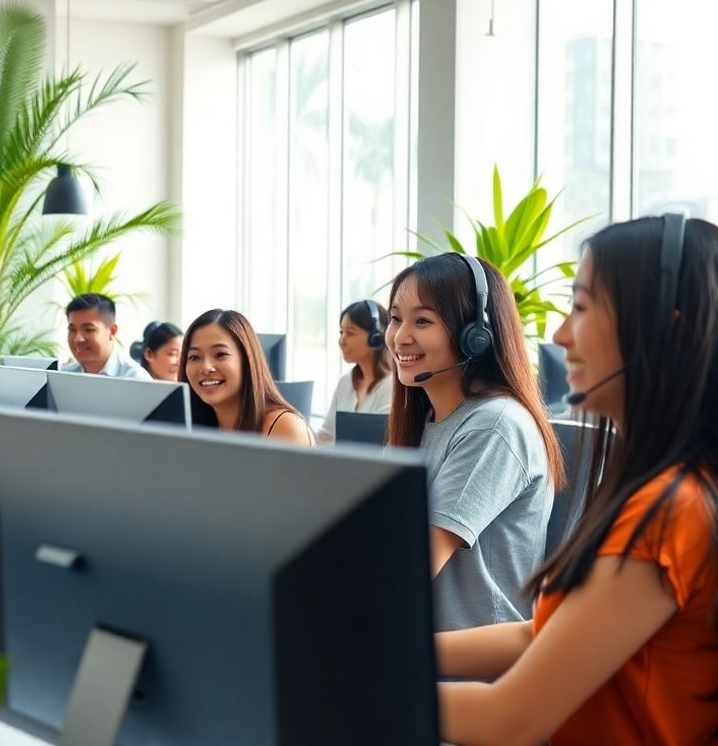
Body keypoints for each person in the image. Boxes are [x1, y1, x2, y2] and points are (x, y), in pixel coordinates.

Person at [436, 216, 718, 745]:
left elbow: (509, 720)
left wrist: (344, 677)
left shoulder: (671, 513)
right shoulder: (670, 492)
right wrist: (402, 651)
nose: (560, 335)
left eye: (580, 307)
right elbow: (542, 637)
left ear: (663, 327)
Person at [387, 252, 564, 630]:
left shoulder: (494, 426)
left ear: (476, 336)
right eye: (395, 319)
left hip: (469, 662)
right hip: (409, 642)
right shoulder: (423, 423)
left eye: (422, 321)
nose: (400, 337)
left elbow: (408, 568)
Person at [181, 309, 312, 446]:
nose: (206, 367)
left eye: (220, 354)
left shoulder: (285, 427)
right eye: (194, 357)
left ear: (247, 360)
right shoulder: (192, 426)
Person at [313, 299, 393, 446]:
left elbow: (377, 445)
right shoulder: (345, 382)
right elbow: (326, 435)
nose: (341, 341)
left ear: (375, 337)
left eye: (350, 333)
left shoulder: (391, 386)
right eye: (341, 332)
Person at [62, 292, 151, 379]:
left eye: (88, 329)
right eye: (72, 329)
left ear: (112, 331)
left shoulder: (135, 379)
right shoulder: (63, 376)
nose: (78, 339)